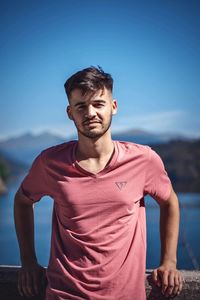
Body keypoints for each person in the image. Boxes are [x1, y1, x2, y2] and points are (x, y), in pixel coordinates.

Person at [14, 66, 183, 300]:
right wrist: (28, 261)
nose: (90, 113)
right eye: (81, 106)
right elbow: (23, 201)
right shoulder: (50, 162)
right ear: (70, 112)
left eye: (98, 104)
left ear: (113, 107)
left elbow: (169, 202)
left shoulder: (143, 160)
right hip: (64, 295)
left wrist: (169, 261)